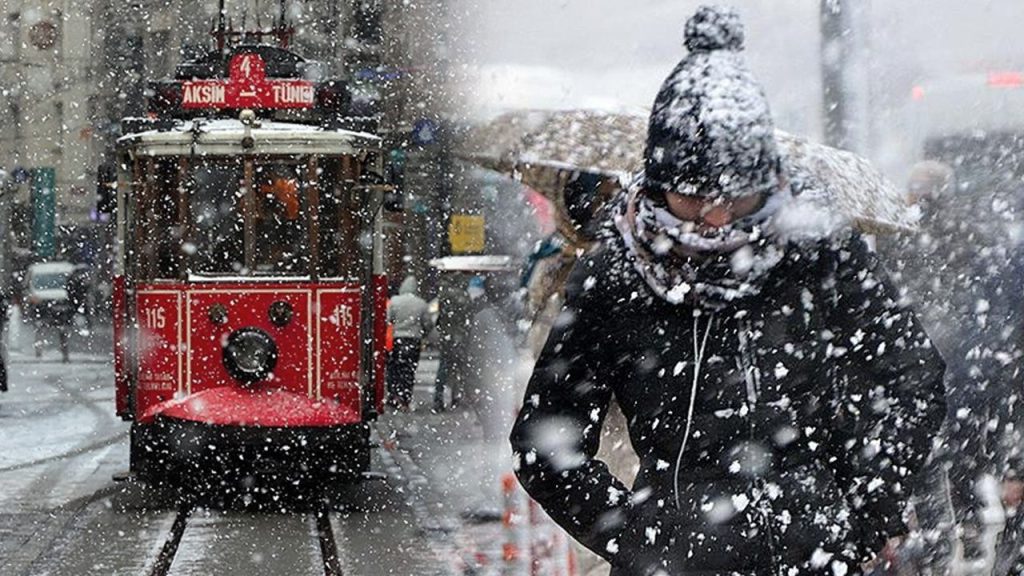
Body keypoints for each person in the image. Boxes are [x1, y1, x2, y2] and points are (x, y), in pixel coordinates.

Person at [509, 6, 947, 576]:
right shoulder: (615, 275)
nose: (716, 219)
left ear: (766, 182)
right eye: (693, 197)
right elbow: (545, 444)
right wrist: (639, 538)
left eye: (736, 198)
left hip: (814, 560)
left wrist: (864, 512)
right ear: (658, 186)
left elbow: (914, 379)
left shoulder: (819, 252)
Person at [386, 275, 432, 411]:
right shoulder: (421, 303)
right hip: (414, 340)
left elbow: (388, 319)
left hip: (398, 339)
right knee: (409, 370)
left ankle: (394, 395)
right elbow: (427, 324)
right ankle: (405, 398)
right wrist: (423, 333)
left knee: (395, 368)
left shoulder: (394, 301)